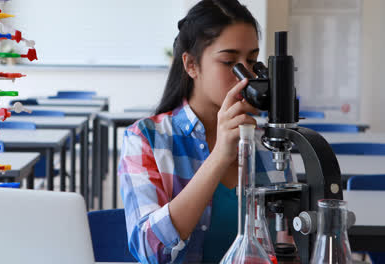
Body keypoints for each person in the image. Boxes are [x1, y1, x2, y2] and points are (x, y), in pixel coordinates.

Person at [119, 0, 294, 263]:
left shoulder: (268, 143)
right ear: (191, 65)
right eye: (229, 62)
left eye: (252, 60)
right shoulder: (145, 138)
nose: (245, 76)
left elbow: (290, 243)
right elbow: (150, 250)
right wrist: (219, 155)